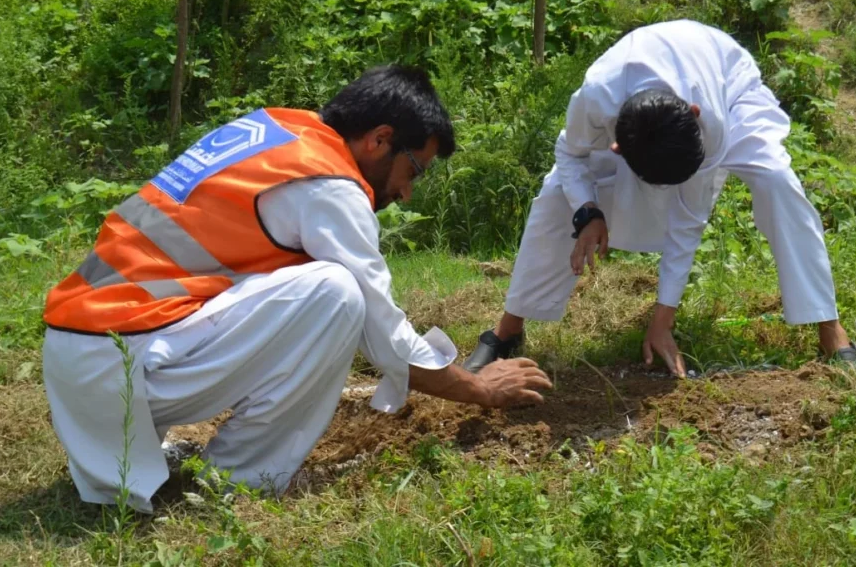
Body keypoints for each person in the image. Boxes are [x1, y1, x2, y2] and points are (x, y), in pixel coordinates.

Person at [42, 66, 552, 512]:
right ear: (378, 139)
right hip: (124, 361)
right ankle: (240, 479)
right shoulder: (329, 183)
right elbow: (383, 330)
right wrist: (479, 388)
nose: (405, 191)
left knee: (318, 288)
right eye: (412, 169)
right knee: (337, 292)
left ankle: (149, 450)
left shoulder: (278, 130)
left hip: (83, 356)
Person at [463, 20, 856, 375]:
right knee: (555, 195)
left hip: (728, 80)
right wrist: (588, 212)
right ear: (616, 147)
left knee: (777, 181)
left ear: (694, 113)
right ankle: (508, 330)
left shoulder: (712, 123)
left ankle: (829, 325)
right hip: (639, 111)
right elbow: (570, 153)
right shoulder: (596, 96)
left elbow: (688, 221)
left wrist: (662, 321)